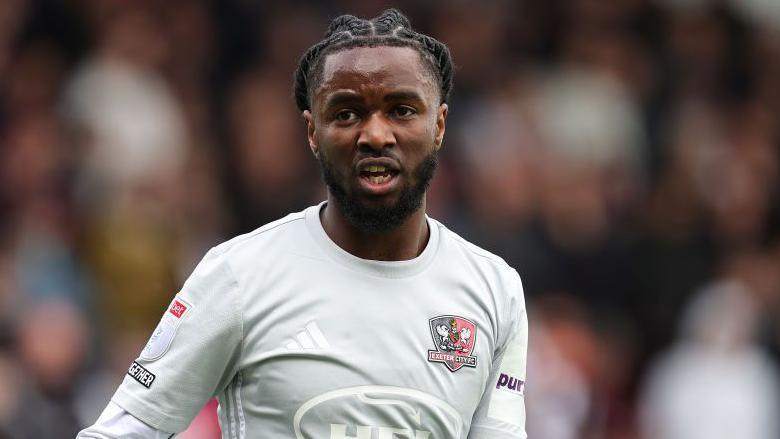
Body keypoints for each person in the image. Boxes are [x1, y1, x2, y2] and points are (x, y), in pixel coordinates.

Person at [77, 9, 528, 438]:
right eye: (347, 113)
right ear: (313, 132)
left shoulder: (494, 289)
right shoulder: (239, 274)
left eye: (402, 110)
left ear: (440, 125)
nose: (375, 135)